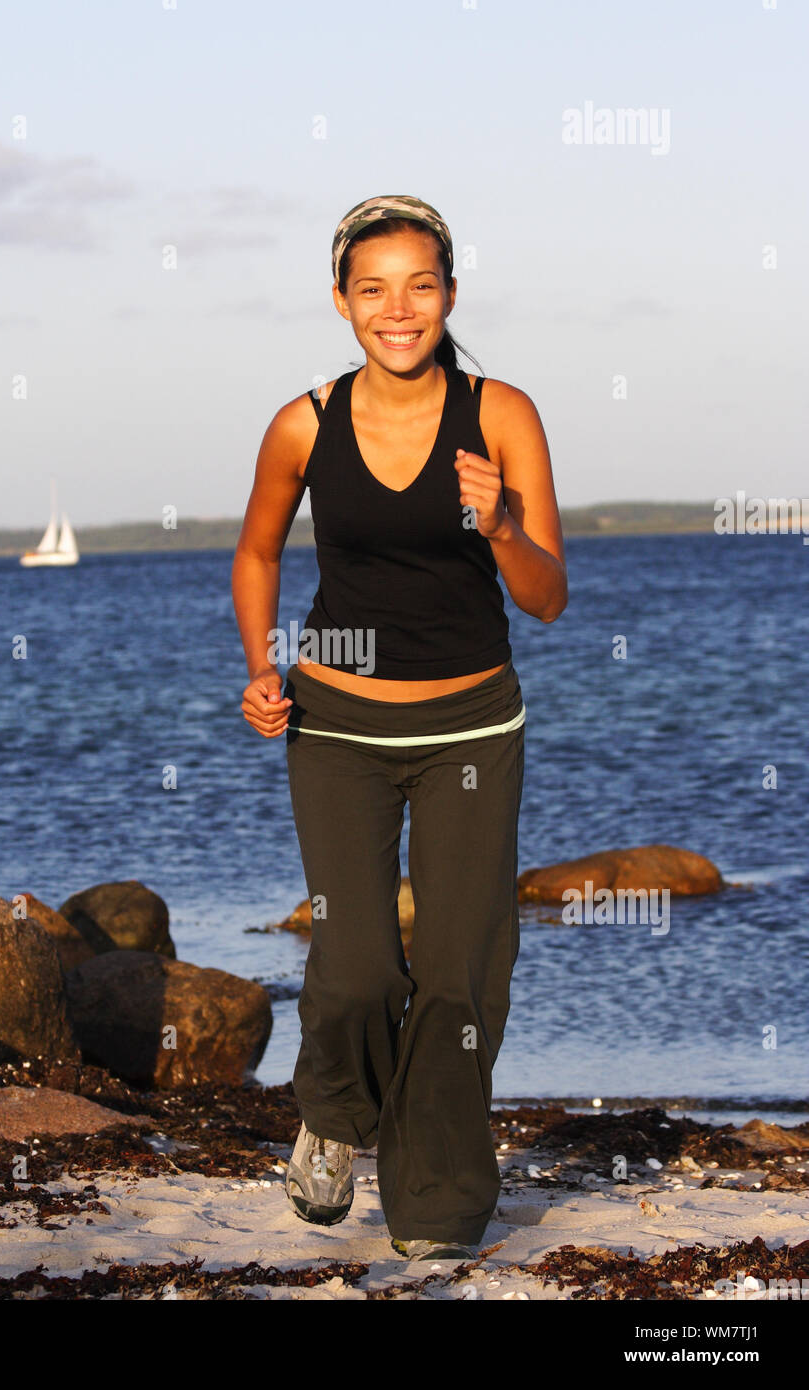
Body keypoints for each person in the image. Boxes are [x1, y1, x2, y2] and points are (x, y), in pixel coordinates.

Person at [232, 194, 567, 1262]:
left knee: (464, 970)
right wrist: (259, 669)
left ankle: (439, 1205)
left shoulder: (503, 414)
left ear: (451, 294)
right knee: (361, 963)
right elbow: (255, 553)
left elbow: (548, 595)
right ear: (342, 302)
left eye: (421, 284)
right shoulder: (303, 423)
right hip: (336, 727)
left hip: (474, 726)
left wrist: (502, 522)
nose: (399, 307)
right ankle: (333, 1111)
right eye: (374, 287)